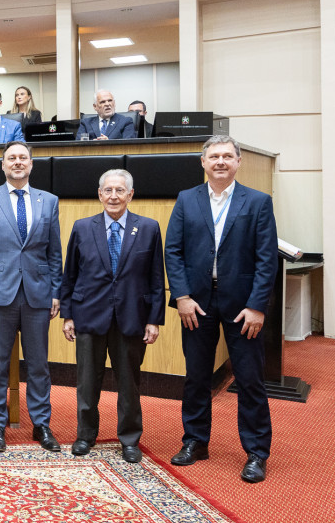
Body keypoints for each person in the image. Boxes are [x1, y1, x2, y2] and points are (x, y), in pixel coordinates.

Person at [165, 135, 278, 483]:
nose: (220, 161)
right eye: (214, 156)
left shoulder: (258, 202)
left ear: (238, 162)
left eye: (227, 156)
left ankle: (256, 452)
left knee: (249, 380)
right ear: (203, 161)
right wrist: (181, 296)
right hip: (196, 304)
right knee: (196, 377)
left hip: (242, 307)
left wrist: (258, 307)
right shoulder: (187, 200)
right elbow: (173, 251)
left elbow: (266, 259)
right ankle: (195, 442)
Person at [59, 169, 165, 464]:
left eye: (120, 190)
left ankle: (130, 439)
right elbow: (70, 275)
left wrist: (154, 319)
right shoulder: (82, 227)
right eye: (108, 190)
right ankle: (85, 435)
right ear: (100, 194)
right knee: (87, 381)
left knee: (129, 382)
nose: (114, 196)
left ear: (130, 195)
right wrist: (67, 315)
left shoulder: (148, 228)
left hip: (132, 317)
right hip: (88, 315)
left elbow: (157, 278)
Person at [0, 141, 63, 453]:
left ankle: (41, 424)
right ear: (3, 165)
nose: (17, 162)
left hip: (38, 293)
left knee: (38, 364)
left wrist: (56, 291)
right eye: (11, 158)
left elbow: (55, 252)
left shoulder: (48, 201)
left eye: (23, 157)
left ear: (31, 164)